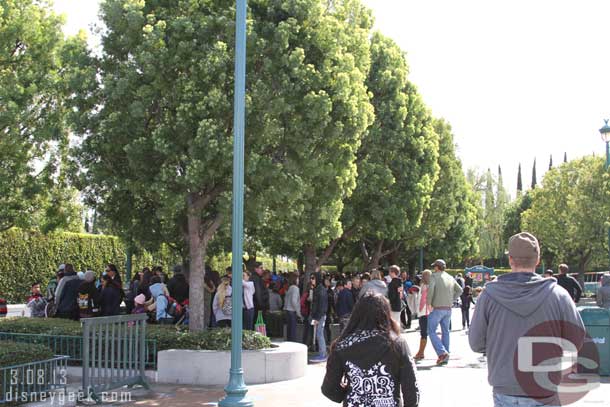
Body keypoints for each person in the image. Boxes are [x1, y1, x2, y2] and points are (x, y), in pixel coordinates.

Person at [469, 232, 585, 407]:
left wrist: (499, 345)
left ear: (510, 260)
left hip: (504, 386)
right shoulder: (558, 295)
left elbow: (476, 343)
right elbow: (576, 339)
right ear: (537, 260)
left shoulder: (489, 295)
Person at [321, 293, 419, 407]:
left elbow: (329, 389)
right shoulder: (397, 343)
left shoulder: (342, 345)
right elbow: (411, 387)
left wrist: (348, 394)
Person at [426, 259, 463, 366]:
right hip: (448, 308)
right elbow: (460, 290)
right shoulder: (450, 277)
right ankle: (445, 355)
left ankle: (442, 352)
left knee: (431, 331)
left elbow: (431, 289)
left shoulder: (434, 276)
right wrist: (452, 300)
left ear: (437, 267)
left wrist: (429, 303)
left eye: (434, 267)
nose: (434, 268)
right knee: (445, 332)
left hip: (437, 308)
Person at [310, 272, 329, 362]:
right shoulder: (318, 288)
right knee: (319, 334)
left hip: (320, 316)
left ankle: (323, 354)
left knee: (319, 334)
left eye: (313, 278)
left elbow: (321, 306)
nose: (311, 280)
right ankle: (322, 353)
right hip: (319, 315)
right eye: (311, 278)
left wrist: (317, 318)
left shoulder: (320, 290)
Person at [413, 270, 432, 361]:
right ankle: (421, 352)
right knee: (424, 333)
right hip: (427, 312)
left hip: (424, 312)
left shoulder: (425, 286)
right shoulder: (429, 286)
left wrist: (418, 311)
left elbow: (422, 301)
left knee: (423, 333)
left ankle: (421, 352)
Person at [283, 272, 302, 342]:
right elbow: (294, 301)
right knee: (292, 331)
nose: (298, 280)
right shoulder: (295, 288)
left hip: (288, 311)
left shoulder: (290, 288)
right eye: (298, 279)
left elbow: (286, 299)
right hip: (292, 312)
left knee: (289, 331)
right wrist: (298, 312)